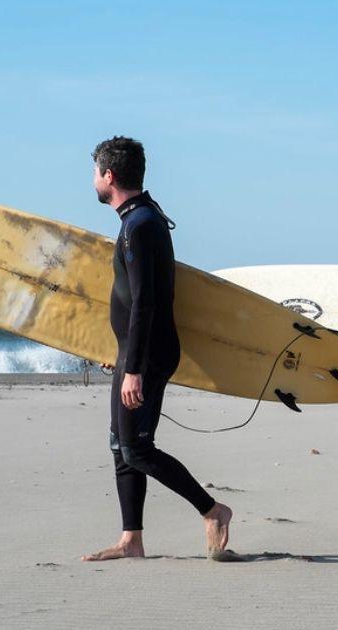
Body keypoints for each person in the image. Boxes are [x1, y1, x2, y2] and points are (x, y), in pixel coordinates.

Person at [81, 136, 234, 561]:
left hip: (146, 359)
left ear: (109, 176)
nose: (92, 180)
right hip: (134, 352)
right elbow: (132, 298)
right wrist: (122, 351)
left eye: (95, 172)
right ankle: (131, 539)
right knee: (120, 445)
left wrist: (134, 368)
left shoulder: (141, 224)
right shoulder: (137, 219)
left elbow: (148, 300)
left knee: (137, 448)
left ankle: (213, 509)